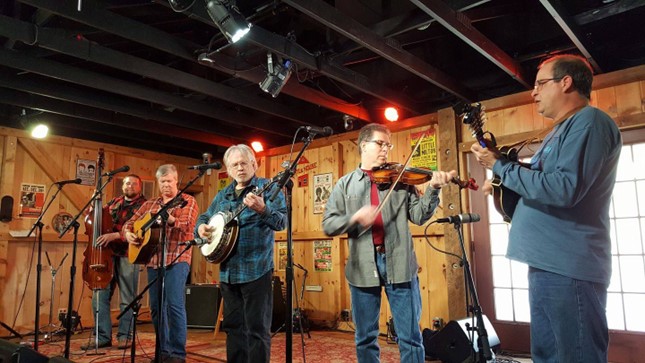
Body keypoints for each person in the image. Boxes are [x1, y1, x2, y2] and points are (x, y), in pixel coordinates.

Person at [470, 54, 622, 363]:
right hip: (548, 263)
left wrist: (502, 168)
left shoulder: (589, 122)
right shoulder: (559, 131)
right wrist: (504, 178)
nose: (533, 92)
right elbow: (543, 180)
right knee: (548, 355)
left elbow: (564, 189)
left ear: (566, 82)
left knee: (574, 355)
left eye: (540, 83)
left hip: (568, 266)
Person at [322, 123, 457, 363]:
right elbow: (328, 224)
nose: (386, 149)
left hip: (400, 264)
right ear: (364, 145)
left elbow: (419, 216)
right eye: (380, 143)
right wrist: (353, 218)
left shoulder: (401, 180)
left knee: (411, 337)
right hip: (362, 267)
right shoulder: (345, 184)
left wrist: (433, 189)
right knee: (365, 337)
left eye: (388, 144)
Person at [195, 144, 286, 363]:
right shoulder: (223, 194)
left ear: (254, 164)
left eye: (244, 163)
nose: (240, 168)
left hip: (257, 270)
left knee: (257, 330)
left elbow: (282, 222)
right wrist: (201, 228)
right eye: (235, 164)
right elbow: (204, 217)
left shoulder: (269, 187)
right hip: (229, 272)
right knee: (233, 328)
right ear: (228, 169)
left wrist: (263, 209)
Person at [123, 164, 198, 363]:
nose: (166, 185)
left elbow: (188, 226)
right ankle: (162, 351)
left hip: (177, 257)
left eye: (170, 181)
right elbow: (129, 223)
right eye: (162, 182)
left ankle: (177, 354)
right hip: (154, 260)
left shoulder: (187, 201)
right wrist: (128, 233)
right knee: (156, 308)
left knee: (174, 305)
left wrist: (172, 220)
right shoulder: (150, 204)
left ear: (176, 181)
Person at [81, 175, 147, 350]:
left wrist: (116, 235)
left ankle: (125, 336)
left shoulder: (144, 205)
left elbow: (139, 229)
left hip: (127, 254)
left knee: (127, 298)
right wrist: (94, 202)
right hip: (106, 255)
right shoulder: (114, 202)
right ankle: (102, 336)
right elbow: (95, 217)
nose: (130, 186)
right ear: (122, 186)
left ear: (140, 187)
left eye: (134, 183)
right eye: (127, 183)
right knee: (99, 295)